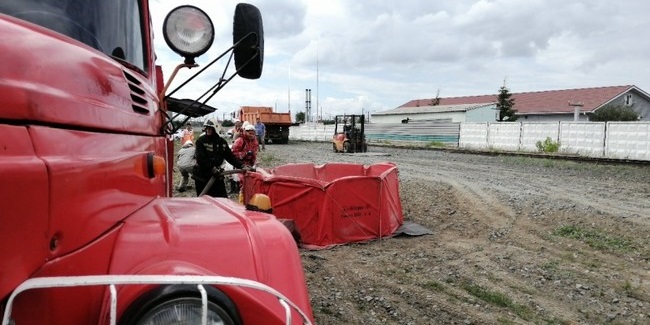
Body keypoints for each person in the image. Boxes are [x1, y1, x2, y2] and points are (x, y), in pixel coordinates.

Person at [193, 119, 246, 197]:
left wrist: (242, 165)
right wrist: (212, 168)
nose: (208, 131)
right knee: (204, 201)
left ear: (215, 129)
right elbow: (201, 158)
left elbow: (230, 157)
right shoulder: (201, 141)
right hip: (202, 176)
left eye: (210, 129)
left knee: (222, 199)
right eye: (207, 128)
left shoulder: (222, 143)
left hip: (216, 176)